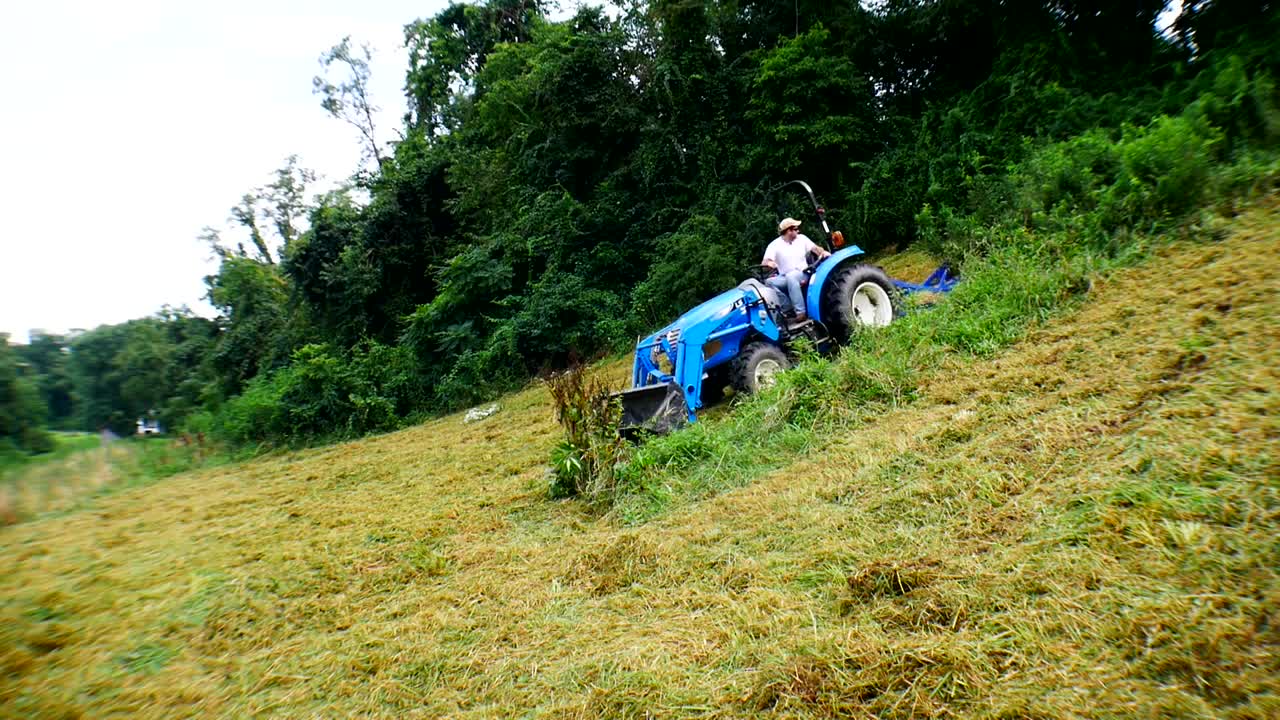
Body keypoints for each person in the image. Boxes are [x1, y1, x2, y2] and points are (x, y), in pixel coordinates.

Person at [762, 217, 829, 321]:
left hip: (803, 273)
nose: (798, 231)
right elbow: (765, 262)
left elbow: (816, 249)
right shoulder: (774, 245)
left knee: (791, 276)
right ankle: (787, 307)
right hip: (785, 277)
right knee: (769, 282)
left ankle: (801, 312)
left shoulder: (802, 239)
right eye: (796, 229)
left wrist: (823, 252)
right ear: (789, 231)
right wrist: (769, 263)